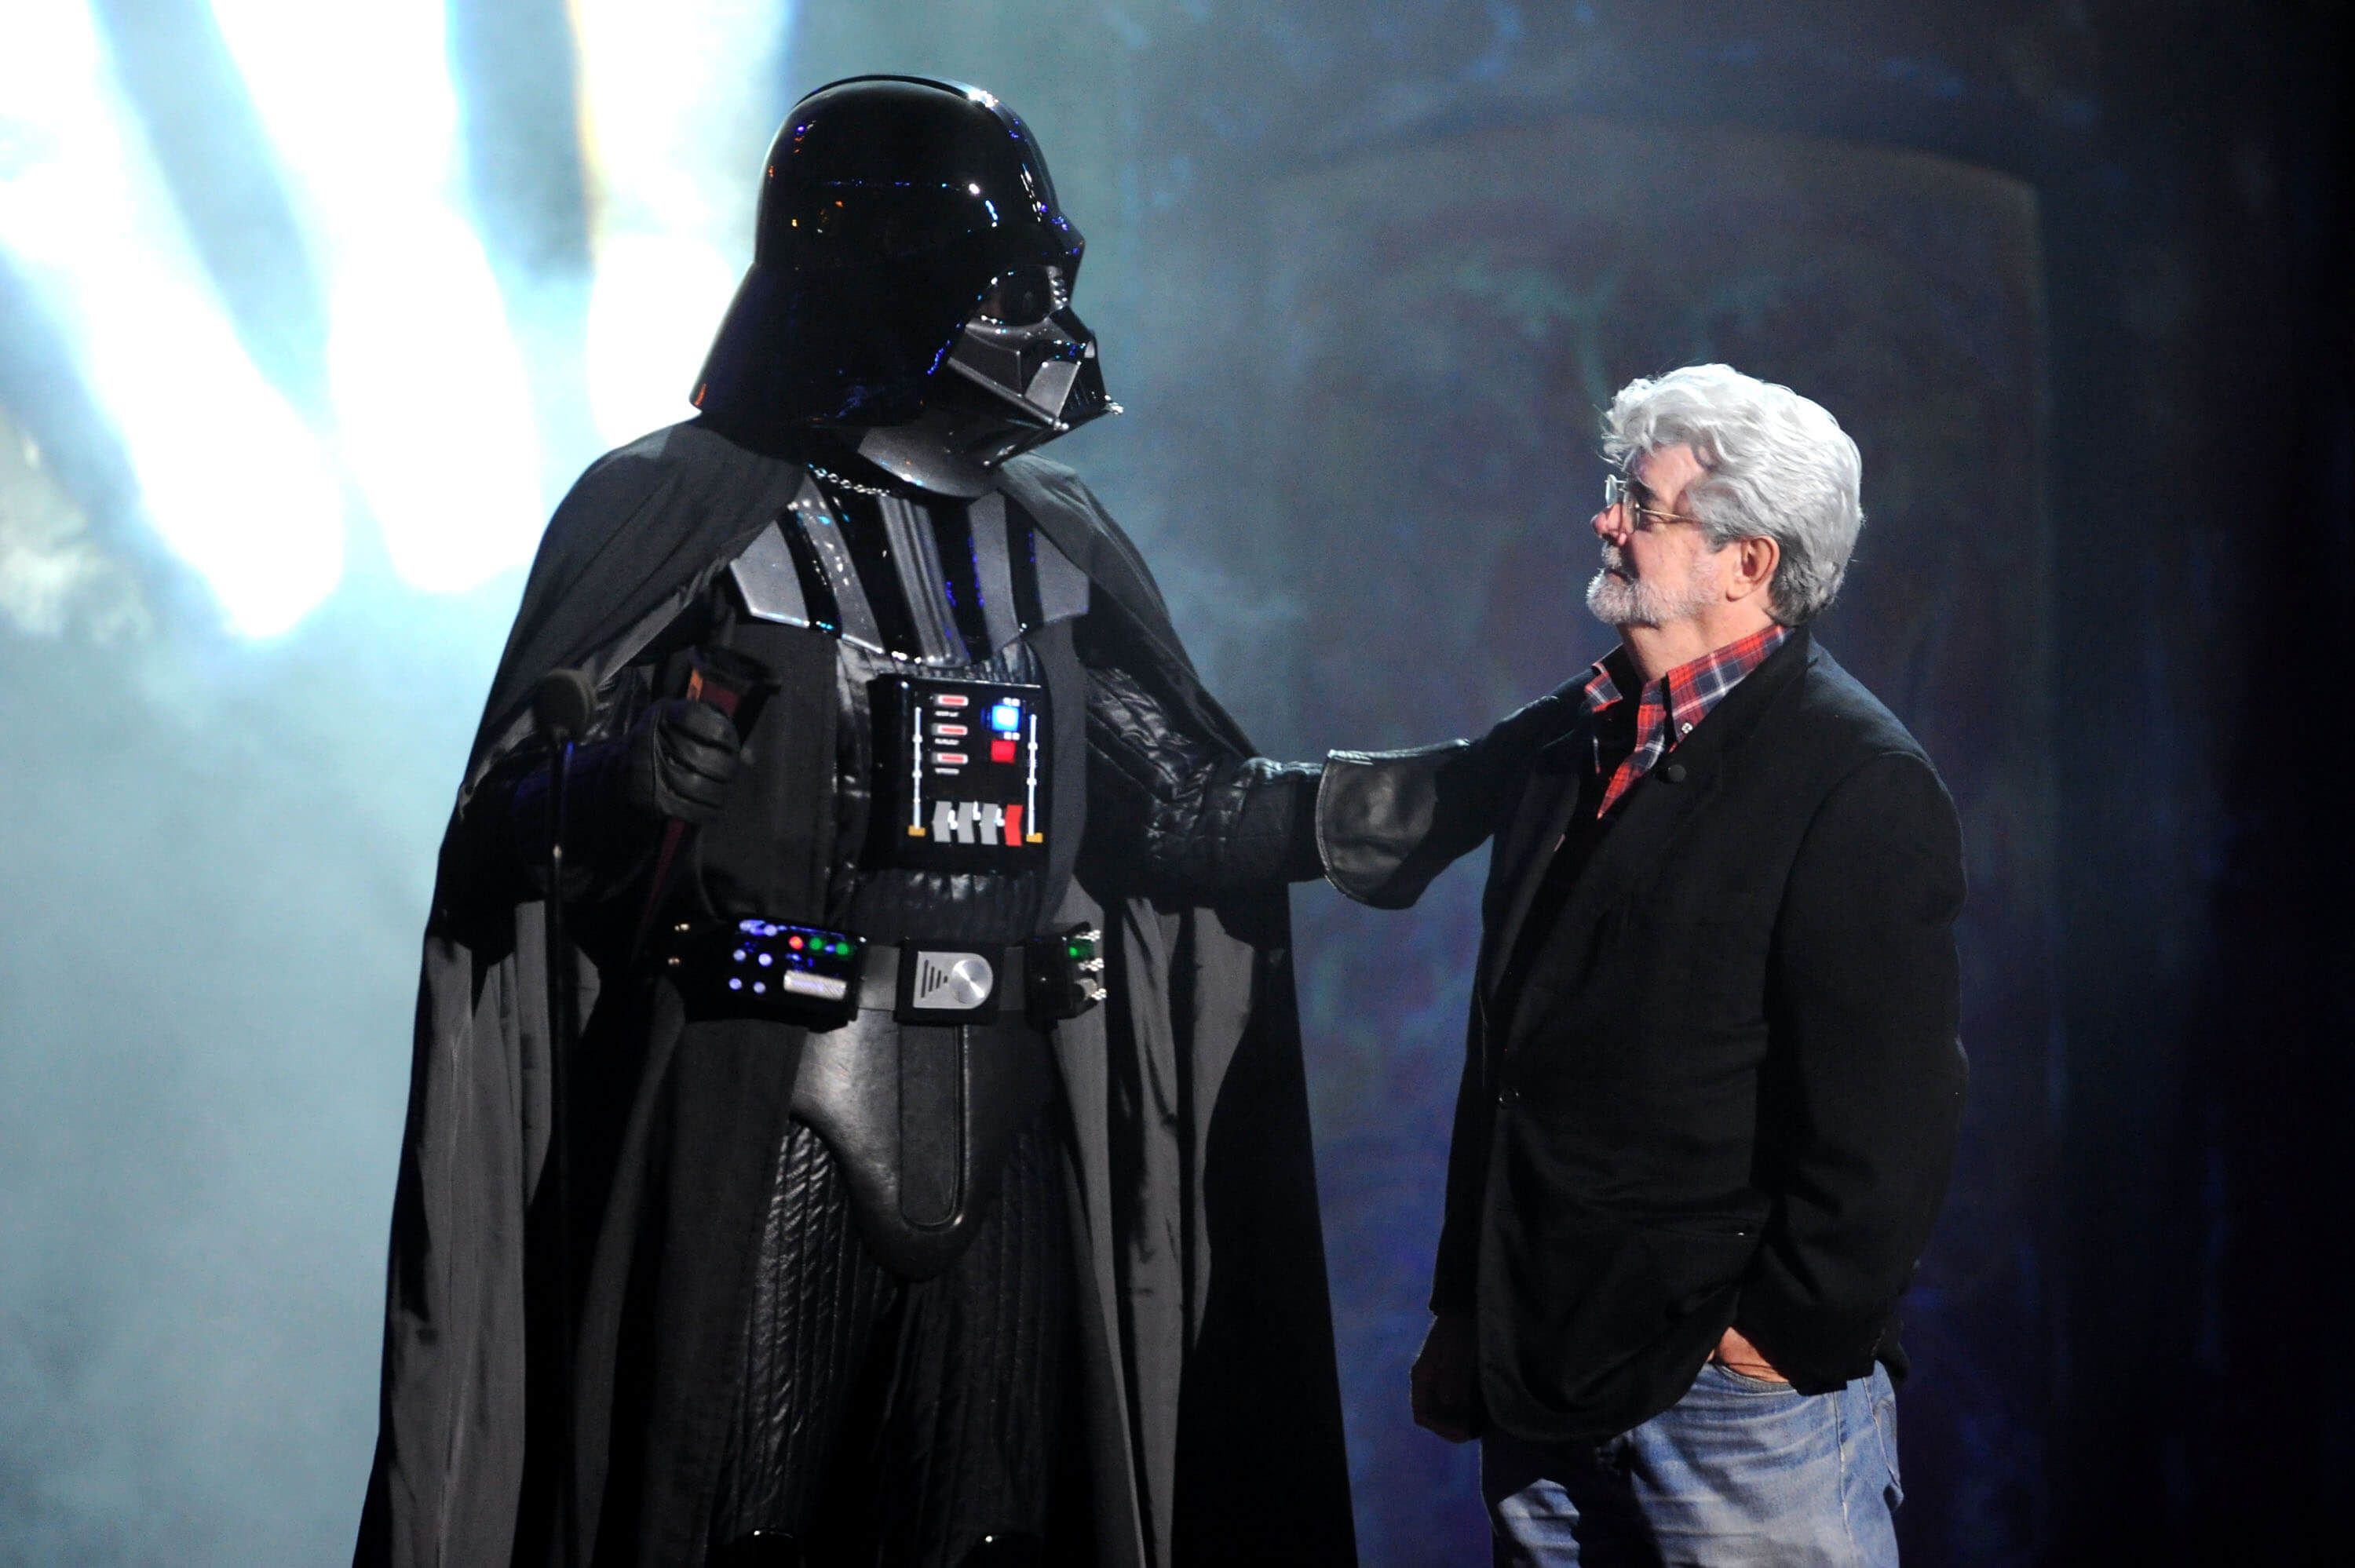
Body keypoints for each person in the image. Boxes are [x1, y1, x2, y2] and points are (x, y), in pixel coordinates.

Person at [353, 76, 1356, 1568]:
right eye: (1012, 282)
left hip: (1013, 1121)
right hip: (765, 1109)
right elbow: (508, 845)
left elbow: (1190, 812)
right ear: (895, 286)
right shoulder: (673, 510)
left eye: (1051, 281)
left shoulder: (1059, 539)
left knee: (997, 1530)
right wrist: (616, 776)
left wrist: (1444, 786)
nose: (1048, 320)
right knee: (729, 1514)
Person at [1313, 365, 1966, 1565]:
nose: (1606, 519)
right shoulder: (1578, 738)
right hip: (1542, 1379)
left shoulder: (1856, 778)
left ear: (1747, 562)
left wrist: (1777, 1335)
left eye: (1642, 503)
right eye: (1617, 491)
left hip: (1738, 1416)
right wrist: (1468, 1308)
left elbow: (1891, 1118)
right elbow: (1510, 1057)